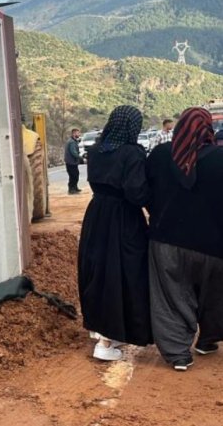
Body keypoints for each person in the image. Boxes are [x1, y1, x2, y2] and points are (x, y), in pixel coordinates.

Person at [145, 107, 223, 371]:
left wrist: (157, 215)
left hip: (166, 240)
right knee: (216, 295)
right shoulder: (220, 158)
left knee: (171, 296)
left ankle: (178, 354)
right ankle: (208, 340)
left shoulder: (159, 155)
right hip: (215, 245)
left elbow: (144, 192)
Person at [77, 105, 152, 361]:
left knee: (98, 270)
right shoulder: (132, 153)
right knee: (125, 272)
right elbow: (136, 192)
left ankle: (101, 329)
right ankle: (108, 340)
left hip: (97, 215)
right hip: (123, 219)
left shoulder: (95, 150)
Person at [64, 128, 82, 194]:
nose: (79, 134)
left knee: (75, 175)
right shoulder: (71, 142)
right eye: (78, 133)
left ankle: (75, 188)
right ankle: (71, 189)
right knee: (73, 176)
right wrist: (81, 158)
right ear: (74, 133)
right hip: (71, 162)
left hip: (72, 162)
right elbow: (73, 152)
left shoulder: (73, 141)